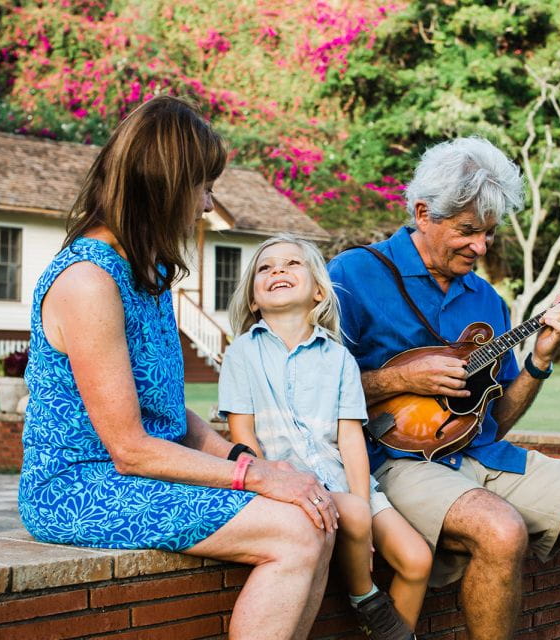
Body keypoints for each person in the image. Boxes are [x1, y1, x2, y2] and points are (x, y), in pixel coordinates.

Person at [18, 96, 338, 640]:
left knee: (315, 511)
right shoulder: (88, 282)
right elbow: (130, 446)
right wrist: (255, 477)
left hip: (137, 474)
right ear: (163, 187)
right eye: (201, 186)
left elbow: (170, 415)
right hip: (80, 485)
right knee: (294, 530)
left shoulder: (150, 270)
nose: (207, 203)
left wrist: (252, 462)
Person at [328, 137, 560, 640]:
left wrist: (540, 362)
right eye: (467, 231)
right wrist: (398, 379)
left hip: (483, 456)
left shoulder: (487, 300)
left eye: (488, 233)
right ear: (423, 213)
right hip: (393, 461)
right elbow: (311, 385)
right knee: (500, 530)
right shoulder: (352, 274)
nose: (481, 248)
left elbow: (496, 418)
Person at [219, 234, 432, 640]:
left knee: (417, 558)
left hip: (343, 478)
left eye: (291, 264)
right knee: (352, 513)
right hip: (288, 485)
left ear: (318, 290)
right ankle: (366, 599)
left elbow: (350, 438)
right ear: (252, 299)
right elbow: (242, 433)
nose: (277, 271)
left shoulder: (339, 358)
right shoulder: (242, 353)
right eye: (265, 268)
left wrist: (363, 505)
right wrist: (271, 486)